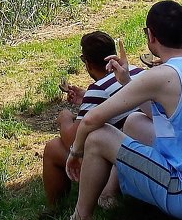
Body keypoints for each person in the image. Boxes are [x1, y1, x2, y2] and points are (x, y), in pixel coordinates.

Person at [66, 1, 182, 220]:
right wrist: (126, 81)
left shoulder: (161, 75)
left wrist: (76, 151)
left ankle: (81, 219)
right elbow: (162, 116)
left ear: (151, 36)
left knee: (98, 137)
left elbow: (91, 119)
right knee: (135, 121)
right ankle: (109, 196)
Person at [42, 31, 139, 208]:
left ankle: (56, 208)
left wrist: (64, 117)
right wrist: (86, 98)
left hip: (122, 161)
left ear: (87, 63)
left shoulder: (99, 88)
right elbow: (118, 100)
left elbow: (72, 140)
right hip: (144, 148)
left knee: (53, 147)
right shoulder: (134, 71)